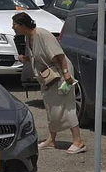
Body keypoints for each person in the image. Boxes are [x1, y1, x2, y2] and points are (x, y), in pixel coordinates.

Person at [12, 12, 83, 155]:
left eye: (15, 25)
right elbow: (38, 56)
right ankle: (51, 140)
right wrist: (25, 58)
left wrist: (66, 74)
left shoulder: (43, 34)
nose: (13, 27)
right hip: (48, 77)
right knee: (51, 107)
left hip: (60, 74)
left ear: (23, 25)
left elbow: (60, 55)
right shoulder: (28, 38)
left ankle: (78, 141)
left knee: (66, 107)